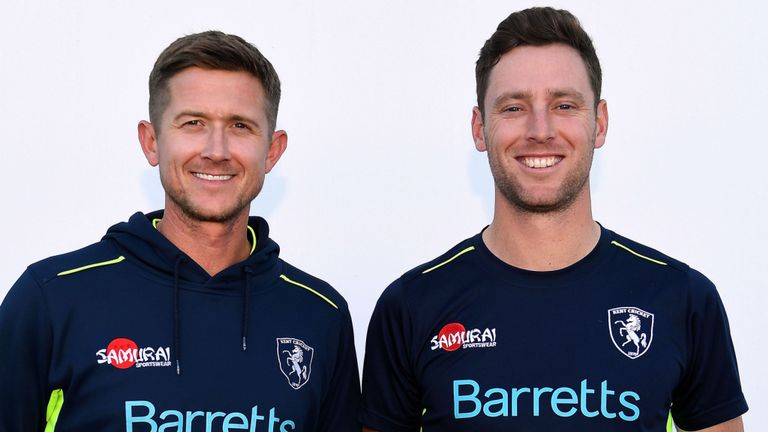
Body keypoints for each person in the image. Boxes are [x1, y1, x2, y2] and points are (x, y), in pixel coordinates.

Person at [359, 7, 747, 432]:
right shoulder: (412, 306)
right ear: (479, 128)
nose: (540, 130)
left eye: (564, 105)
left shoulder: (682, 298)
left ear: (599, 123)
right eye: (513, 107)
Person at [0, 31, 360, 431]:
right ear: (151, 142)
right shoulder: (52, 299)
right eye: (193, 123)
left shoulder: (320, 315)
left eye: (240, 126)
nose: (216, 150)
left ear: (272, 151)